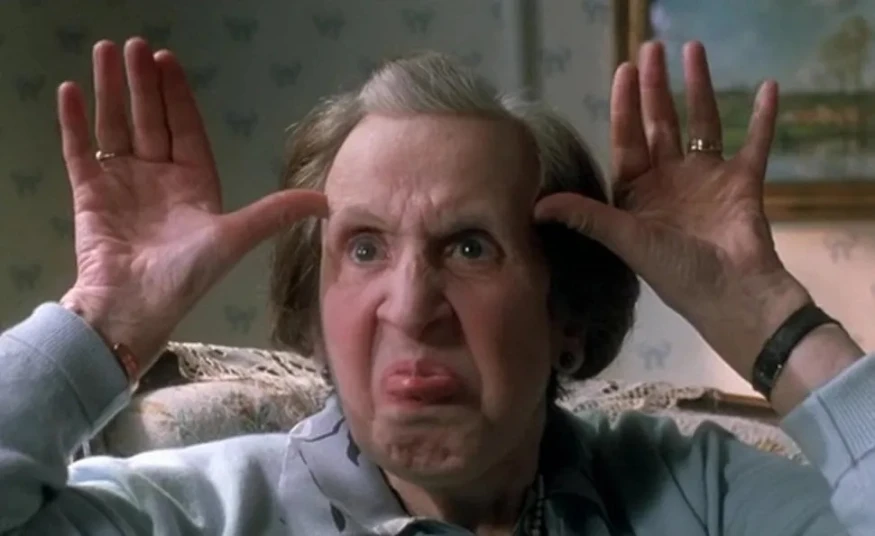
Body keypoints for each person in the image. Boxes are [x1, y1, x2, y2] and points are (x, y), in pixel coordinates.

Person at [0, 35, 871, 536]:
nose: (411, 308)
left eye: (469, 248)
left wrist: (763, 313)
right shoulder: (194, 514)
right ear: (316, 318)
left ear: (565, 314)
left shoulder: (696, 497)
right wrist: (106, 317)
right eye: (364, 249)